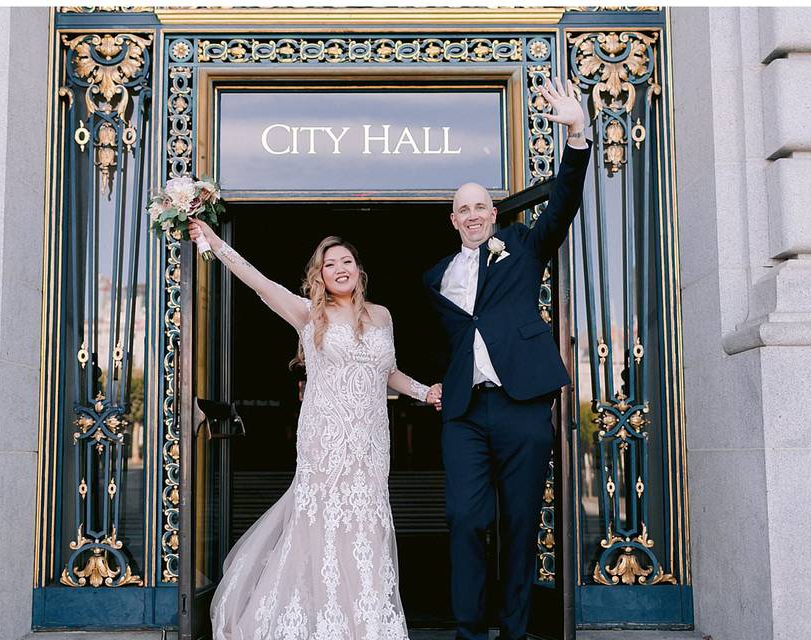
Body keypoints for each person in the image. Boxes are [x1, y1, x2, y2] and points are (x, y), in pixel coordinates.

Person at [186, 222, 443, 640]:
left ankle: (365, 624)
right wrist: (215, 244)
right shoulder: (308, 313)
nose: (340, 269)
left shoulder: (382, 316)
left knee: (365, 529)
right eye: (330, 264)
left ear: (359, 269)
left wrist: (425, 391)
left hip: (372, 444)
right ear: (319, 275)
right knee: (323, 527)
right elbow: (259, 282)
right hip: (325, 441)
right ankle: (321, 623)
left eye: (347, 261)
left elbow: (388, 372)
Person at [422, 76, 591, 640]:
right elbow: (442, 344)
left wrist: (576, 133)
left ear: (493, 214)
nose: (472, 215)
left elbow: (563, 202)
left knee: (521, 524)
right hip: (465, 414)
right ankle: (470, 631)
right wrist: (433, 386)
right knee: (466, 519)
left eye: (480, 206)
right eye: (462, 209)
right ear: (453, 220)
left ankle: (514, 632)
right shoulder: (435, 278)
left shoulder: (521, 247)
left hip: (521, 405)